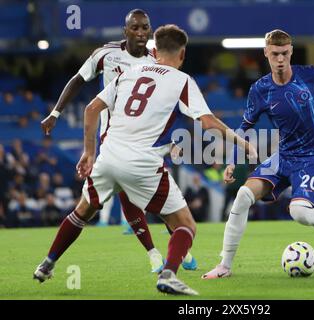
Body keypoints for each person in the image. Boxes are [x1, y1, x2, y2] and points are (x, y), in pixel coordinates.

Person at [33, 24, 256, 295]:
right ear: (182, 54)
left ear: (154, 49)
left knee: (82, 211)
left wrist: (89, 152)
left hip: (108, 155)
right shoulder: (181, 80)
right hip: (141, 162)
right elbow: (207, 122)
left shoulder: (130, 72)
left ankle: (47, 263)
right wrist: (242, 142)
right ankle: (168, 275)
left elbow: (92, 109)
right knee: (186, 225)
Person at [202, 29, 314, 279]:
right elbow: (243, 129)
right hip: (284, 155)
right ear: (266, 53)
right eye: (275, 54)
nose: (280, 59)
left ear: (291, 51)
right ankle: (225, 265)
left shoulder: (310, 75)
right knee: (243, 195)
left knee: (298, 212)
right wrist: (233, 160)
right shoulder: (260, 89)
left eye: (285, 53)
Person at [39, 9, 196, 273]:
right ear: (125, 31)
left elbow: (173, 101)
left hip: (146, 137)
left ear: (150, 31)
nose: (140, 33)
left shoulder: (155, 60)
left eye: (144, 28)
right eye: (134, 28)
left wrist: (176, 138)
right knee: (128, 195)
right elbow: (78, 80)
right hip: (113, 137)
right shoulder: (106, 54)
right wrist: (56, 112)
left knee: (150, 199)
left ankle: (171, 251)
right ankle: (160, 254)